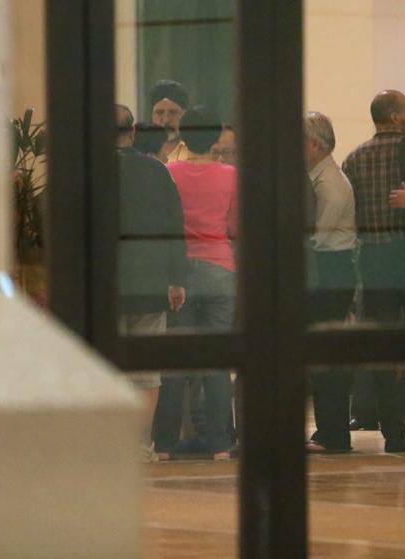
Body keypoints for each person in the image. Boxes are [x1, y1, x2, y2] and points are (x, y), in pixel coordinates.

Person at [153, 106, 238, 461]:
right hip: (220, 267)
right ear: (217, 136)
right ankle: (220, 444)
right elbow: (234, 227)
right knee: (217, 361)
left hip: (181, 272)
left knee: (176, 362)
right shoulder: (232, 175)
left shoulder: (169, 172)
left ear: (183, 135)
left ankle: (164, 445)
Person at [342, 89, 405, 453]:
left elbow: (351, 215)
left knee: (385, 346)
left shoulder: (354, 159)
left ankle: (393, 433)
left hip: (374, 260)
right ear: (394, 117)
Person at [115, 104, 186, 462]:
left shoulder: (85, 170)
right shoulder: (156, 171)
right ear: (131, 132)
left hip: (102, 286)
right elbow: (174, 226)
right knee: (146, 372)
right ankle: (141, 446)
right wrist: (176, 279)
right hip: (149, 281)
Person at [303, 112, 358, 454]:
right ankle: (328, 429)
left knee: (327, 353)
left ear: (314, 144)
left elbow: (316, 236)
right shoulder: (317, 178)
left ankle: (334, 432)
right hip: (328, 269)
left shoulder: (330, 184)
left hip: (331, 271)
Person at [149, 79, 190, 162]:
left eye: (173, 112)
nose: (166, 120)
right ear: (152, 115)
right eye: (159, 113)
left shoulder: (195, 151)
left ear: (185, 115)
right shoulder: (142, 151)